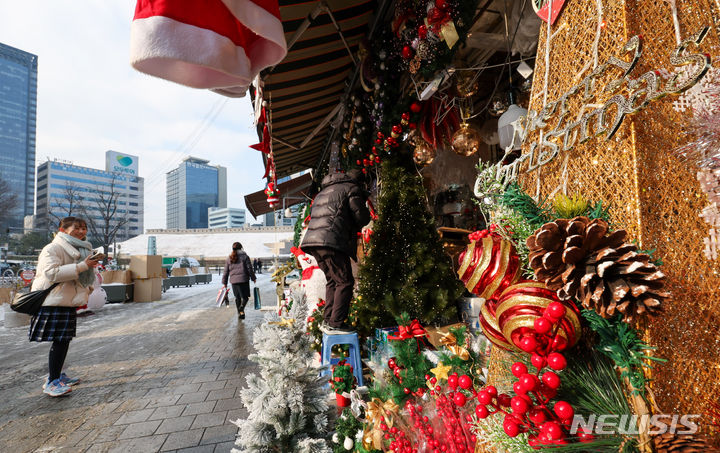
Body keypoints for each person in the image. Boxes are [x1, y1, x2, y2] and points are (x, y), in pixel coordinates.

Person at [29, 216, 100, 397]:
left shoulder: (83, 249)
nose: (82, 231)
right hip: (54, 300)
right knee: (59, 342)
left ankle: (58, 375)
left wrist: (89, 282)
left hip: (67, 300)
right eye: (77, 228)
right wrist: (83, 266)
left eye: (84, 228)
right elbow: (51, 273)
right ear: (63, 230)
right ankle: (52, 382)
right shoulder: (53, 248)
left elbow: (87, 274)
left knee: (64, 340)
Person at [301, 169, 371, 334]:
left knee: (333, 281)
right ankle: (336, 323)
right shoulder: (352, 189)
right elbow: (361, 217)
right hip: (331, 241)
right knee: (345, 282)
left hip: (314, 243)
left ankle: (328, 320)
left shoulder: (324, 191)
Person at [222, 242, 256, 320]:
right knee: (245, 298)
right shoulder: (245, 257)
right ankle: (241, 309)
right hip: (243, 280)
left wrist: (225, 282)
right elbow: (249, 269)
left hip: (234, 281)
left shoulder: (229, 258)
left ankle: (240, 313)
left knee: (237, 298)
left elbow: (225, 272)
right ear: (241, 248)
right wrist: (253, 278)